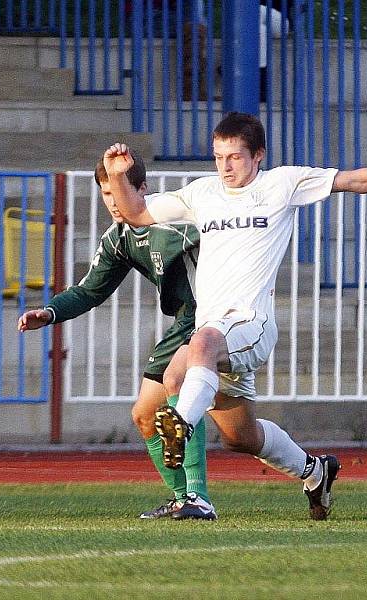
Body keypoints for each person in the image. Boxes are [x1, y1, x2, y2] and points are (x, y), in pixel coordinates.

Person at [103, 112, 367, 520]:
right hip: (217, 336)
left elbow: (358, 179)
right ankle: (314, 471)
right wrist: (117, 175)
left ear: (258, 155)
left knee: (192, 356)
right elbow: (135, 212)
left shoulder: (282, 184)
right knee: (238, 437)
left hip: (250, 325)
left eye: (235, 157)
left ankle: (193, 486)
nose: (225, 166)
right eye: (218, 156)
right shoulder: (201, 194)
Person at [17, 153, 216, 520]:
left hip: (212, 318)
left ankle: (198, 497)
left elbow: (224, 239)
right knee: (145, 416)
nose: (112, 201)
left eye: (119, 190)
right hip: (185, 323)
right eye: (105, 193)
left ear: (142, 189)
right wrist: (50, 312)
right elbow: (90, 290)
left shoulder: (173, 220)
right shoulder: (119, 239)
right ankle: (181, 498)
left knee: (176, 382)